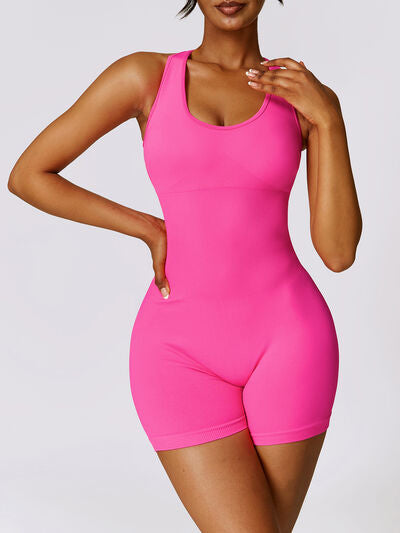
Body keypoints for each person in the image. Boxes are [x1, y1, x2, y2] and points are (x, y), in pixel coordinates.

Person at [8, 0, 362, 531]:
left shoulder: (301, 96)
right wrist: (148, 227)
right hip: (178, 352)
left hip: (290, 343)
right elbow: (29, 174)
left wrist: (329, 119)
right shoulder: (146, 76)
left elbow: (338, 252)